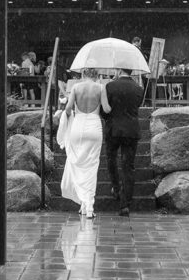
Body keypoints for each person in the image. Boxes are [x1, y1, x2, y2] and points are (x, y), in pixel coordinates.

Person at [61, 67, 111, 218]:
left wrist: (66, 118)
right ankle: (88, 206)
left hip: (78, 127)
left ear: (83, 75)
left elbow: (68, 108)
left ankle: (83, 203)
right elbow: (107, 109)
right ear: (96, 76)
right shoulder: (100, 87)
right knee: (91, 166)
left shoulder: (76, 87)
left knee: (77, 164)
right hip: (94, 128)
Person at [104, 68, 144, 217]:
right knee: (128, 166)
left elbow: (104, 110)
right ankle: (125, 204)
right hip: (131, 131)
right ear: (131, 71)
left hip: (113, 129)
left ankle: (115, 188)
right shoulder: (139, 89)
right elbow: (136, 106)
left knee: (111, 159)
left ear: (119, 70)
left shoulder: (110, 86)